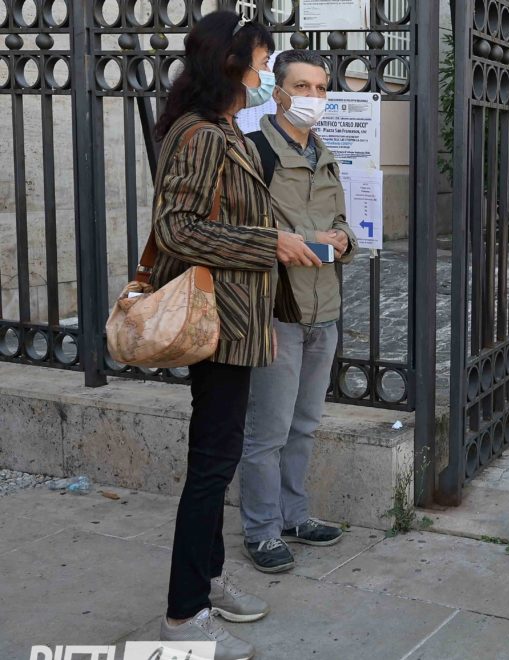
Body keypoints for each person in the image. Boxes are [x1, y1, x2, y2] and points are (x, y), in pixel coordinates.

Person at [150, 11, 322, 659]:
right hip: (216, 322)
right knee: (211, 467)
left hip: (239, 322)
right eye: (262, 62)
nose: (266, 74)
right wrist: (268, 243)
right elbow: (177, 228)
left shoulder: (226, 128)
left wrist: (288, 239)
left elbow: (235, 217)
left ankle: (209, 580)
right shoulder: (199, 135)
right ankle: (182, 616)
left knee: (217, 461)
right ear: (230, 64)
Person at [238, 50, 356, 574]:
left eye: (321, 88)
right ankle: (261, 531)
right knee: (267, 431)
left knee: (304, 425)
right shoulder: (253, 151)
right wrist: (301, 239)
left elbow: (343, 221)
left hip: (323, 307)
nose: (313, 97)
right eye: (302, 86)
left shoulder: (325, 155)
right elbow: (238, 230)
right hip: (276, 309)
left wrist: (344, 239)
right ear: (279, 92)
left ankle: (294, 516)